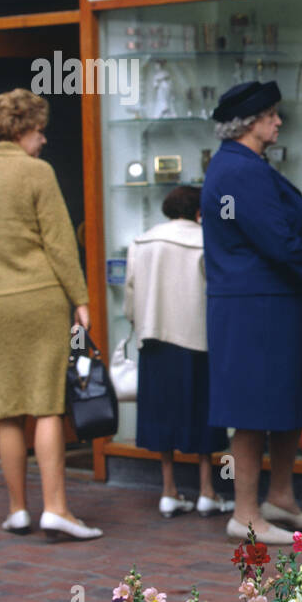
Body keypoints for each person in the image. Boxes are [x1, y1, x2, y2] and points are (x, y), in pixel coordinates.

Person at [0, 88, 101, 540]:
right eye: (39, 131)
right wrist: (81, 298)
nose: (44, 140)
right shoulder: (37, 173)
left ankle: (17, 510)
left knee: (7, 409)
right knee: (46, 405)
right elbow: (60, 242)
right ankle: (57, 509)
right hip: (41, 298)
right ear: (22, 129)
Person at [202, 80, 302, 545]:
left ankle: (279, 498)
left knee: (284, 402)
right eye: (271, 115)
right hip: (253, 308)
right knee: (253, 408)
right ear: (250, 122)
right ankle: (245, 515)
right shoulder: (239, 170)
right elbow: (276, 237)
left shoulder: (244, 166)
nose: (279, 121)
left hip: (267, 306)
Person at [124, 185, 233, 519]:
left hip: (154, 337)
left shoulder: (141, 242)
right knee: (203, 416)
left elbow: (130, 299)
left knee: (161, 414)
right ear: (200, 212)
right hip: (198, 339)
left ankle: (168, 491)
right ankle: (207, 492)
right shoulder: (205, 241)